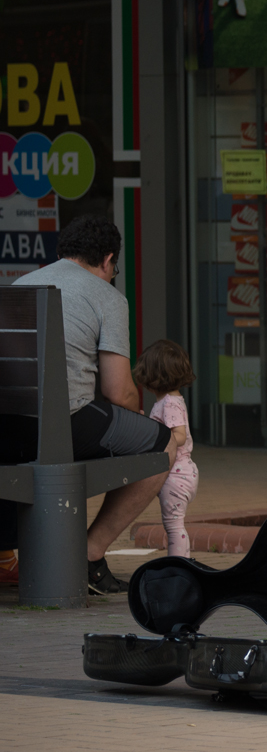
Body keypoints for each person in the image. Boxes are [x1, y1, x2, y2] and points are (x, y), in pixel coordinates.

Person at [15, 215, 176, 595]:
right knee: (163, 444)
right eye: (114, 268)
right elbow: (119, 393)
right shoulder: (107, 296)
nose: (112, 274)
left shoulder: (21, 285)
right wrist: (136, 420)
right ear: (107, 260)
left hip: (9, 424)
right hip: (62, 422)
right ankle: (88, 553)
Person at [133, 341, 199, 559]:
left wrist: (155, 433)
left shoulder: (169, 403)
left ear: (152, 377)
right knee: (173, 524)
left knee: (174, 526)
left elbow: (179, 436)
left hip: (176, 473)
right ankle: (181, 565)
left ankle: (179, 566)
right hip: (179, 472)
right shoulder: (170, 401)